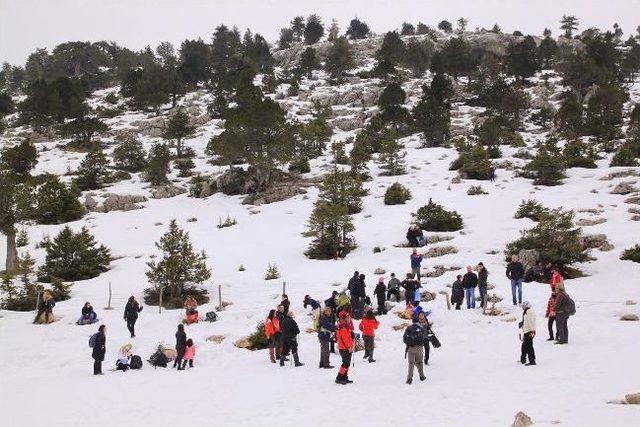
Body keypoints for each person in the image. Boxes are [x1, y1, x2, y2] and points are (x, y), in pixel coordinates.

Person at [403, 314, 427, 384]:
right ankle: (422, 376)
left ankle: (409, 379)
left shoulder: (409, 328)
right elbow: (424, 337)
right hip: (419, 348)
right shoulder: (421, 328)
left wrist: (408, 343)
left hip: (410, 348)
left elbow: (404, 338)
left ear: (412, 321)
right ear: (418, 321)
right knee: (420, 362)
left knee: (411, 363)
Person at [335, 312, 354, 385]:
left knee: (347, 363)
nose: (349, 319)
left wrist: (352, 336)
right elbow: (345, 339)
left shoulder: (345, 326)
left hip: (346, 347)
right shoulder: (343, 327)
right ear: (344, 318)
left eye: (349, 317)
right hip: (344, 348)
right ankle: (339, 377)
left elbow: (348, 337)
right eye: (348, 317)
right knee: (345, 364)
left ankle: (344, 377)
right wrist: (349, 347)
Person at [519, 301, 536, 365]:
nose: (522, 307)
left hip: (529, 331)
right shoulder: (526, 312)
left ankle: (532, 361)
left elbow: (531, 322)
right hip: (527, 331)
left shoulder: (529, 312)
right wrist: (522, 324)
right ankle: (523, 359)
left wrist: (532, 331)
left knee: (529, 347)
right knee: (524, 346)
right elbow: (526, 320)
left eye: (523, 306)